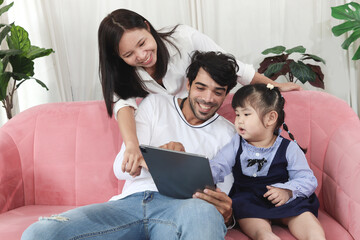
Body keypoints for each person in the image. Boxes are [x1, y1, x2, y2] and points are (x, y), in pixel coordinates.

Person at [21, 51, 240, 240]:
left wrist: (227, 216)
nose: (208, 98)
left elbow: (222, 194)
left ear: (226, 93)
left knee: (205, 213)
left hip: (183, 210)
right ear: (189, 84)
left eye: (218, 92)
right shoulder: (156, 104)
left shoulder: (229, 133)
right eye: (201, 87)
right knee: (40, 233)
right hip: (130, 204)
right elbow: (120, 168)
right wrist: (160, 157)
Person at [97, 8, 302, 177]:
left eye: (142, 43)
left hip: (198, 123)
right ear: (118, 56)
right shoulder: (127, 78)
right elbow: (124, 104)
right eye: (129, 54)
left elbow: (233, 66)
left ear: (147, 26)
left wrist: (272, 86)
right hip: (167, 123)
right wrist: (133, 146)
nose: (142, 56)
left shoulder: (183, 38)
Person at [209, 83, 326, 240]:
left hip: (284, 199)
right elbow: (218, 166)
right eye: (237, 114)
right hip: (250, 201)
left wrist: (288, 191)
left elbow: (307, 179)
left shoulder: (288, 148)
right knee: (259, 230)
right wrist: (202, 178)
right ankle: (267, 236)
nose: (239, 121)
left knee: (309, 223)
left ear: (270, 118)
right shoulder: (236, 144)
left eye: (246, 114)